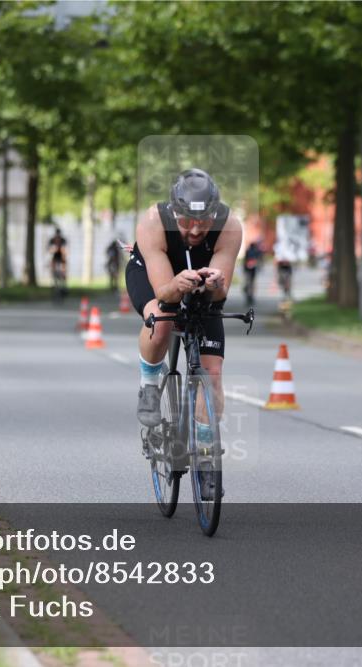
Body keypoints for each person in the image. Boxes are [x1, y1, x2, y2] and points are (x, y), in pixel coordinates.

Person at [125, 168, 242, 500]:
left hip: (200, 285)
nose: (194, 230)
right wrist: (176, 285)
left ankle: (206, 459)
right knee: (161, 319)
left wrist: (216, 285)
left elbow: (220, 295)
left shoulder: (230, 226)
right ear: (174, 212)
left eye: (203, 222)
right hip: (154, 276)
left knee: (213, 374)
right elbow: (163, 292)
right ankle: (149, 387)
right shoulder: (153, 221)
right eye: (186, 221)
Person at [242, 237, 264, 307]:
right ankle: (250, 295)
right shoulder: (256, 251)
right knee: (251, 283)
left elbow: (245, 261)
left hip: (248, 270)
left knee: (249, 282)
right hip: (252, 270)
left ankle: (249, 295)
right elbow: (258, 260)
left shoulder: (248, 251)